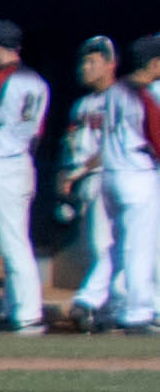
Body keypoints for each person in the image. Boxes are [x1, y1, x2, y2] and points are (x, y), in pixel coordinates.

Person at [0, 22, 54, 334]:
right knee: (13, 241)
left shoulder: (0, 77)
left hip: (5, 162)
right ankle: (12, 308)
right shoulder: (36, 80)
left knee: (14, 243)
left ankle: (29, 314)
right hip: (22, 159)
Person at [73, 36, 155, 333]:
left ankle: (91, 299)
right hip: (136, 175)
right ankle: (134, 312)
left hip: (112, 175)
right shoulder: (144, 94)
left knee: (121, 244)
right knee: (135, 248)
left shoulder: (116, 92)